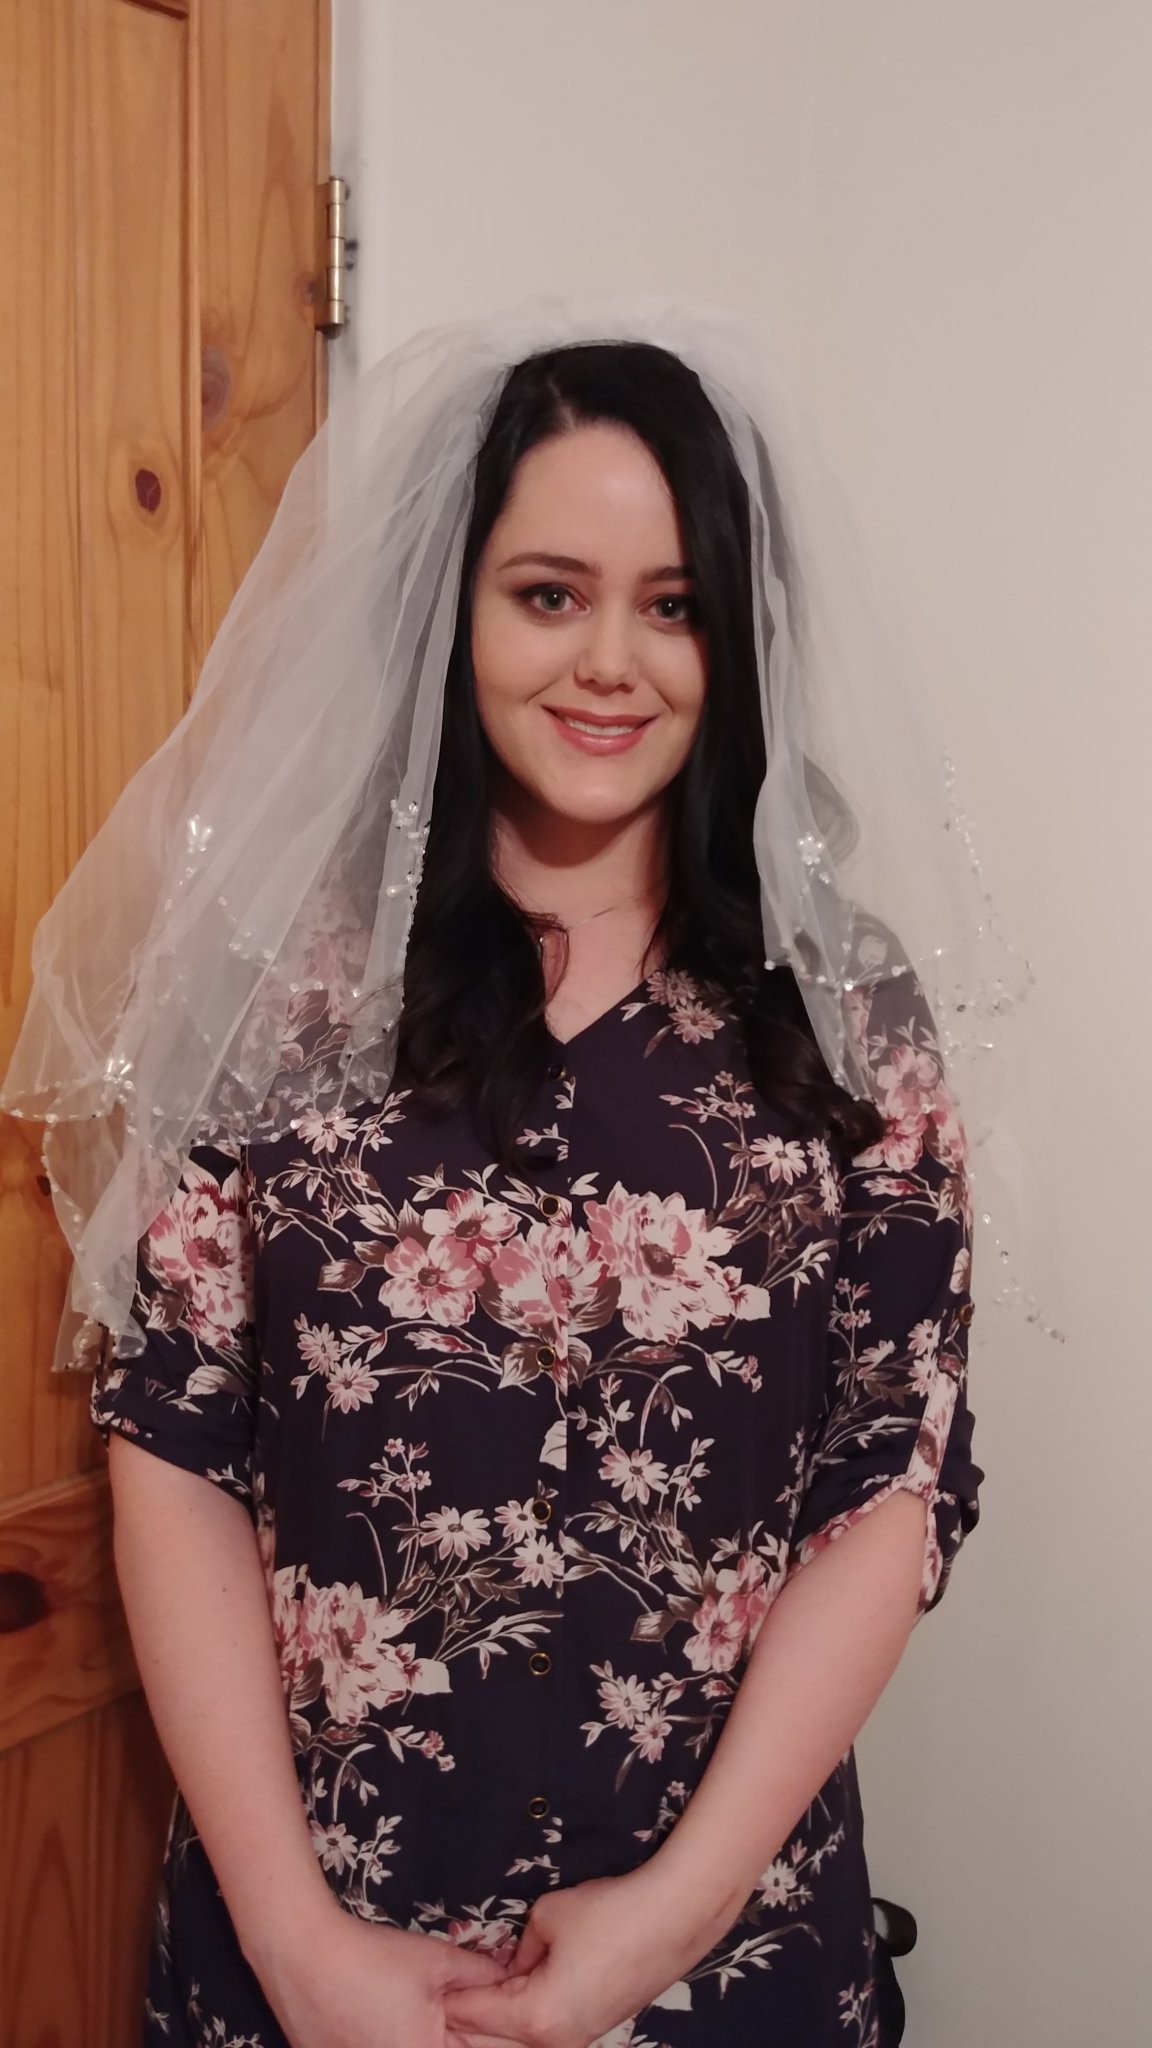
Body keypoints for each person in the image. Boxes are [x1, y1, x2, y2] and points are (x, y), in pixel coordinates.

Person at [3, 305, 988, 2047]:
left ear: (738, 640)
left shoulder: (845, 1014)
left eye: (673, 605)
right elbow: (175, 1446)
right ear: (451, 612)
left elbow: (888, 1479)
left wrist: (667, 1923)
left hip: (724, 1961)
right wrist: (295, 1945)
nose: (611, 661)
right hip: (312, 1950)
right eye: (548, 593)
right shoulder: (282, 992)